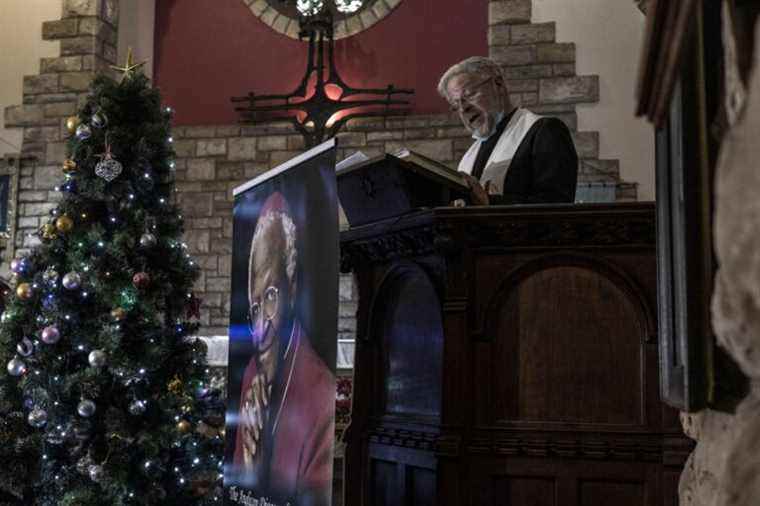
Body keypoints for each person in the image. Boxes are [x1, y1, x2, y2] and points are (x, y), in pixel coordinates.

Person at [232, 191, 334, 505]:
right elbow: (240, 483)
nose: (261, 327)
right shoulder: (253, 372)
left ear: (292, 287)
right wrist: (250, 467)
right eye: (254, 306)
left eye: (271, 297)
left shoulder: (320, 393)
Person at [438, 56, 578, 205]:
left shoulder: (544, 131)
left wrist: (489, 202)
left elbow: (556, 205)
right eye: (456, 104)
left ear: (498, 84)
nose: (463, 108)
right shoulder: (468, 158)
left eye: (469, 95)